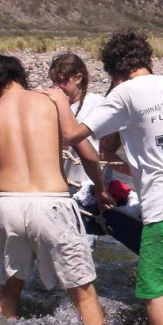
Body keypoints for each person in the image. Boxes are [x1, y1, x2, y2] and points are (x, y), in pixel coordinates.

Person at [44, 29, 163, 325]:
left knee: (150, 293)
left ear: (113, 70)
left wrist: (58, 100)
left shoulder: (124, 93)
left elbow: (71, 135)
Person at [0, 53, 114, 325]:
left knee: (10, 290)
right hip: (52, 203)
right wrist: (100, 189)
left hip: (8, 204)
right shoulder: (51, 101)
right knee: (84, 295)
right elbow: (87, 154)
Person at [48, 52, 143, 254]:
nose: (56, 87)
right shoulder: (52, 107)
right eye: (53, 82)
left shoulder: (99, 105)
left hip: (94, 193)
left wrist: (137, 174)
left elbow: (106, 152)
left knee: (81, 250)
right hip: (62, 191)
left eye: (61, 81)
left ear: (78, 78)